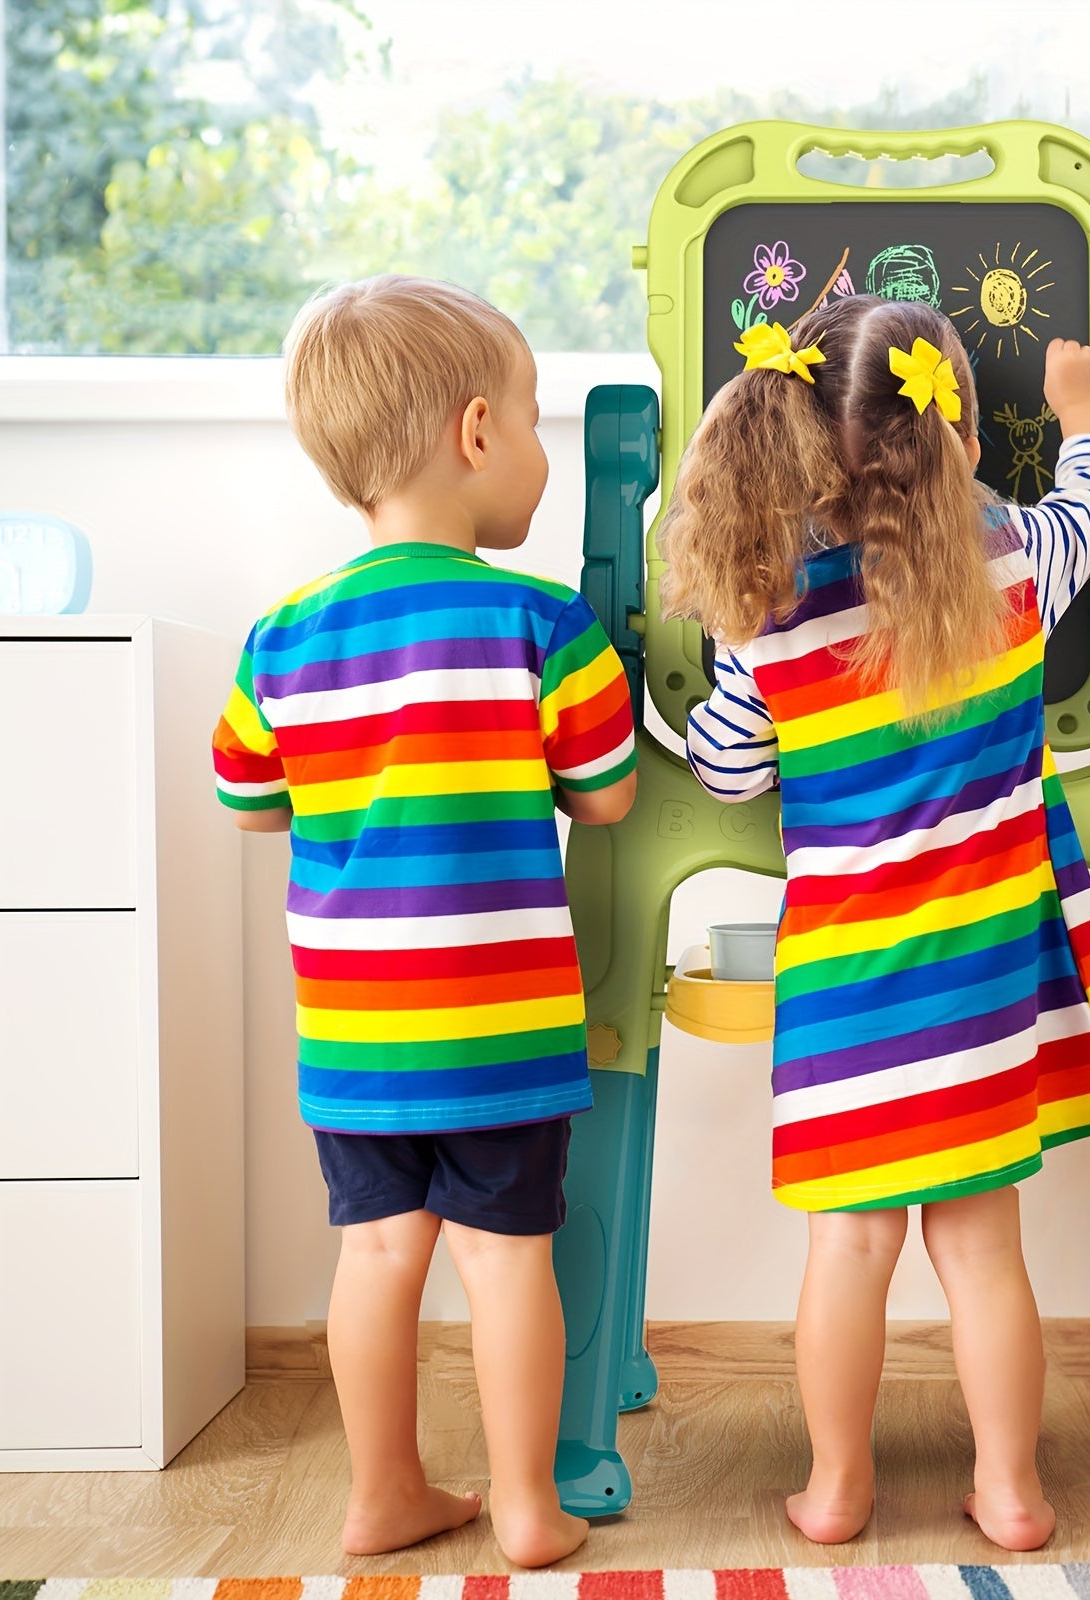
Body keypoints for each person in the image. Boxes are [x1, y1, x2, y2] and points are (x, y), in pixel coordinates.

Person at [662, 294, 1090, 1552]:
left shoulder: (772, 613)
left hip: (846, 992)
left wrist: (731, 661)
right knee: (982, 1255)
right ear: (962, 434)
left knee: (848, 1249)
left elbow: (726, 770)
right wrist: (1084, 410)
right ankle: (1011, 1491)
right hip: (983, 989)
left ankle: (835, 1489)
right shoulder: (1016, 559)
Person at [212, 275, 636, 1567]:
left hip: (356, 1035)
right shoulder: (539, 622)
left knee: (379, 1254)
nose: (541, 448)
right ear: (476, 432)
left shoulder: (283, 635)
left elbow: (248, 804)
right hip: (498, 1029)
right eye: (535, 417)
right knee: (507, 1261)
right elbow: (608, 797)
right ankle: (528, 1509)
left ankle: (382, 1492)